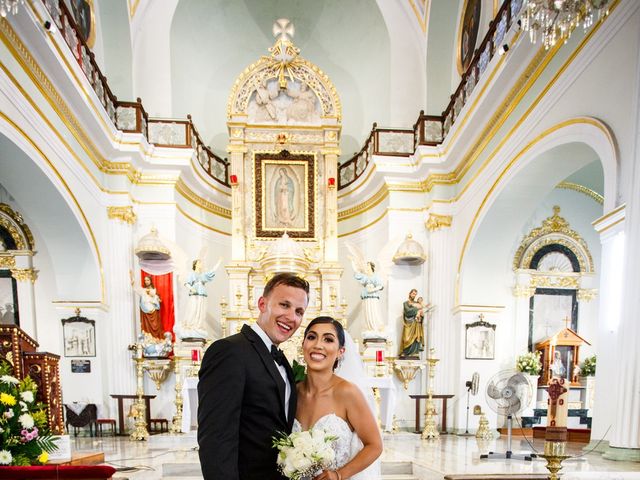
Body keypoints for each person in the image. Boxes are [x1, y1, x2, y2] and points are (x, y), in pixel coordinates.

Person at [198, 273, 310, 480]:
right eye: (284, 305)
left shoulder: (281, 359)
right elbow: (216, 438)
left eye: (299, 311)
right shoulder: (230, 351)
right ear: (262, 303)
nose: (292, 317)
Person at [295, 317, 383, 480]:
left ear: (340, 351)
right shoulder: (293, 392)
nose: (318, 345)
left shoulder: (347, 393)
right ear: (303, 345)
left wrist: (339, 475)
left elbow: (375, 446)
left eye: (328, 339)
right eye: (312, 337)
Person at [178, 259, 218, 339]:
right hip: (195, 294)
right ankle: (191, 325)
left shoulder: (203, 275)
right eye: (199, 263)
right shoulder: (192, 274)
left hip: (202, 294)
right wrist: (192, 288)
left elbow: (211, 272)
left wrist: (218, 263)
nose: (201, 265)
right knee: (194, 309)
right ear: (195, 265)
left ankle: (198, 326)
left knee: (201, 310)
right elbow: (186, 283)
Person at [353, 261, 385, 336]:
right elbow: (357, 274)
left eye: (367, 266)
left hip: (373, 296)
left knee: (373, 310)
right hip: (366, 295)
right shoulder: (365, 277)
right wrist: (353, 262)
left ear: (371, 267)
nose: (366, 267)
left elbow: (380, 286)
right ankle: (370, 327)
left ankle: (376, 327)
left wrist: (372, 290)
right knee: (367, 311)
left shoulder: (376, 276)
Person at [131, 273, 164, 340]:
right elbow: (136, 289)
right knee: (147, 329)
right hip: (145, 312)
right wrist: (132, 279)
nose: (146, 282)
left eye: (148, 280)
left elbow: (159, 300)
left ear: (151, 281)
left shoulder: (154, 290)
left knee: (155, 326)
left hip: (153, 312)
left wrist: (155, 298)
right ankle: (148, 340)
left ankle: (156, 340)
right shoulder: (143, 290)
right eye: (145, 280)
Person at [400, 289, 425, 358]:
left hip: (416, 323)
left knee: (416, 338)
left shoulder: (417, 303)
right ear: (410, 293)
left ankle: (414, 353)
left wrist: (422, 315)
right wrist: (417, 309)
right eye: (413, 293)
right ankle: (406, 352)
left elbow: (421, 312)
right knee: (406, 339)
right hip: (408, 323)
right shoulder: (406, 303)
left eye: (415, 294)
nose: (414, 295)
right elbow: (407, 312)